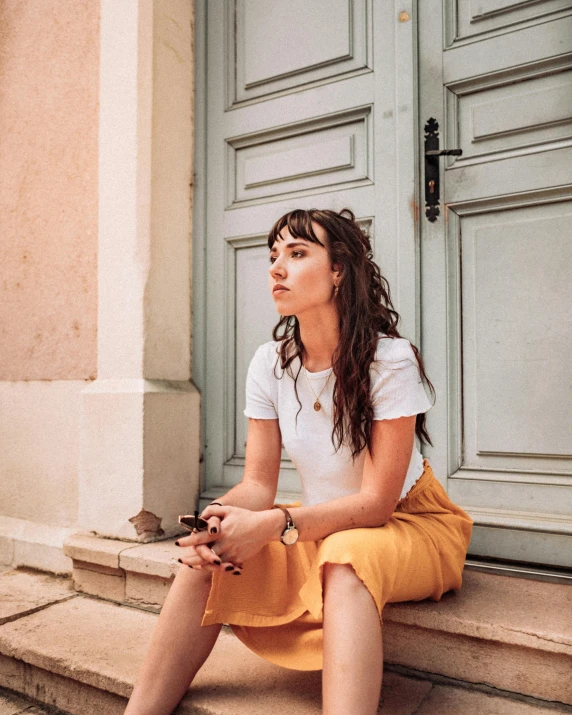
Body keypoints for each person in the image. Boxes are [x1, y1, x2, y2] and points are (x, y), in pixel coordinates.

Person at [125, 208, 473, 715]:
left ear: (339, 271)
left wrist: (273, 526)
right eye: (272, 256)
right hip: (325, 523)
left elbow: (377, 504)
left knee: (345, 557)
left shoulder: (389, 359)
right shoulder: (270, 362)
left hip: (409, 523)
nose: (276, 267)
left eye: (297, 252)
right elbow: (257, 485)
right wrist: (218, 517)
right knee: (203, 557)